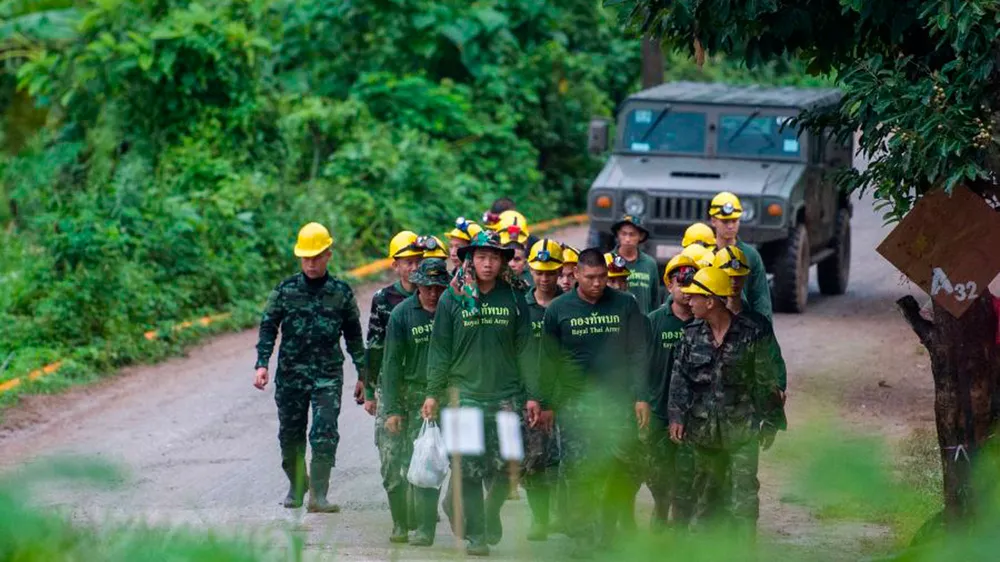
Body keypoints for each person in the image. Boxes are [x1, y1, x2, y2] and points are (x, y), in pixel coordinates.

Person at [422, 230, 531, 557]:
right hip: (463, 395)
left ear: (502, 262)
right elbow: (440, 349)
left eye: (494, 258)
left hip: (506, 394)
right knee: (468, 468)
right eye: (482, 257)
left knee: (509, 463)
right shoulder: (452, 298)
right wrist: (432, 393)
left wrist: (534, 395)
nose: (488, 264)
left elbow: (526, 348)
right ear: (470, 259)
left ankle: (489, 510)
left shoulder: (514, 297)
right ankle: (478, 534)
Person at [540, 249, 650, 557]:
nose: (598, 283)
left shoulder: (625, 304)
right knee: (578, 472)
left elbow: (638, 352)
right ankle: (582, 539)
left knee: (617, 468)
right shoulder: (558, 309)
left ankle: (607, 535)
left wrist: (641, 396)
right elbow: (548, 359)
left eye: (602, 277)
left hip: (617, 401)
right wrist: (546, 402)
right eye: (590, 278)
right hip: (575, 404)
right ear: (575, 274)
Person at [253, 222, 366, 512]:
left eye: (316, 257)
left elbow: (354, 336)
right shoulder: (285, 290)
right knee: (290, 435)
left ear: (328, 255)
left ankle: (319, 494)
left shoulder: (340, 293)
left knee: (324, 433)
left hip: (327, 375)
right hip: (291, 375)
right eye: (306, 258)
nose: (311, 264)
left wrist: (364, 374)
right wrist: (262, 363)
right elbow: (268, 326)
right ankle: (297, 484)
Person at [667, 267, 786, 539]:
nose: (689, 300)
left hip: (741, 431)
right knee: (705, 501)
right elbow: (679, 378)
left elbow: (765, 380)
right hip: (703, 433)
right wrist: (676, 415)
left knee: (743, 501)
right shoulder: (691, 335)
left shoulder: (750, 334)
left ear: (710, 301)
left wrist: (771, 422)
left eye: (695, 296)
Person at [380, 258, 450, 546]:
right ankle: (400, 523)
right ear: (418, 285)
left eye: (438, 288)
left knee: (429, 461)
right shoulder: (402, 314)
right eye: (427, 287)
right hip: (408, 397)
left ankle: (425, 529)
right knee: (397, 463)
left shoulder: (452, 311)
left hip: (442, 398)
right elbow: (391, 363)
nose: (433, 293)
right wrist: (392, 409)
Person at [646, 254, 699, 529]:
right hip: (658, 409)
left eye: (692, 283)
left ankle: (679, 526)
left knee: (688, 473)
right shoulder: (654, 321)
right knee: (657, 471)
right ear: (669, 286)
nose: (686, 290)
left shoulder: (703, 322)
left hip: (693, 412)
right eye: (681, 283)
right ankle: (660, 507)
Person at [521, 239, 565, 541]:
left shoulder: (571, 305)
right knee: (534, 458)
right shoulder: (520, 308)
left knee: (565, 459)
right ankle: (540, 519)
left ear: (560, 271)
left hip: (565, 395)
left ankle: (565, 515)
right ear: (531, 271)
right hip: (531, 396)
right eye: (539, 272)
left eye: (550, 272)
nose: (545, 278)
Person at [708, 192, 773, 321]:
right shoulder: (706, 254)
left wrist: (764, 328)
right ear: (713, 221)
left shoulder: (750, 255)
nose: (730, 226)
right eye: (725, 221)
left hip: (741, 324)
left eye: (734, 221)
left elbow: (760, 298)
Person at [610, 215, 659, 314]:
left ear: (641, 236)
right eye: (623, 234)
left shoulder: (650, 264)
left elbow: (655, 299)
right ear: (618, 235)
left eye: (632, 235)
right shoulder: (608, 260)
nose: (627, 239)